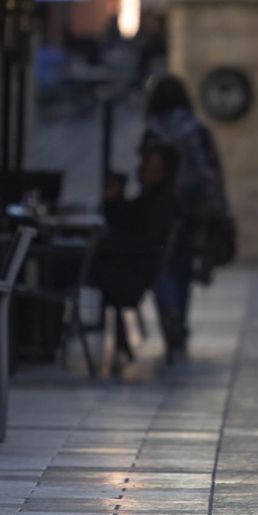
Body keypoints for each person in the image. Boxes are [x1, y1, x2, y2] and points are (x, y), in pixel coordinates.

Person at [139, 75, 227, 363]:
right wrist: (216, 208)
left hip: (157, 211)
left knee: (161, 268)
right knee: (183, 268)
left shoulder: (152, 131)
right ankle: (180, 319)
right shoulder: (195, 129)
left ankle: (168, 315)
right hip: (190, 211)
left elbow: (143, 174)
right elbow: (208, 172)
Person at [92, 143, 186, 365]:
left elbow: (126, 233)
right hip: (131, 271)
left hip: (131, 277)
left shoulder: (160, 203)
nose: (141, 168)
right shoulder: (153, 199)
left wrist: (114, 202)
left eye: (148, 163)